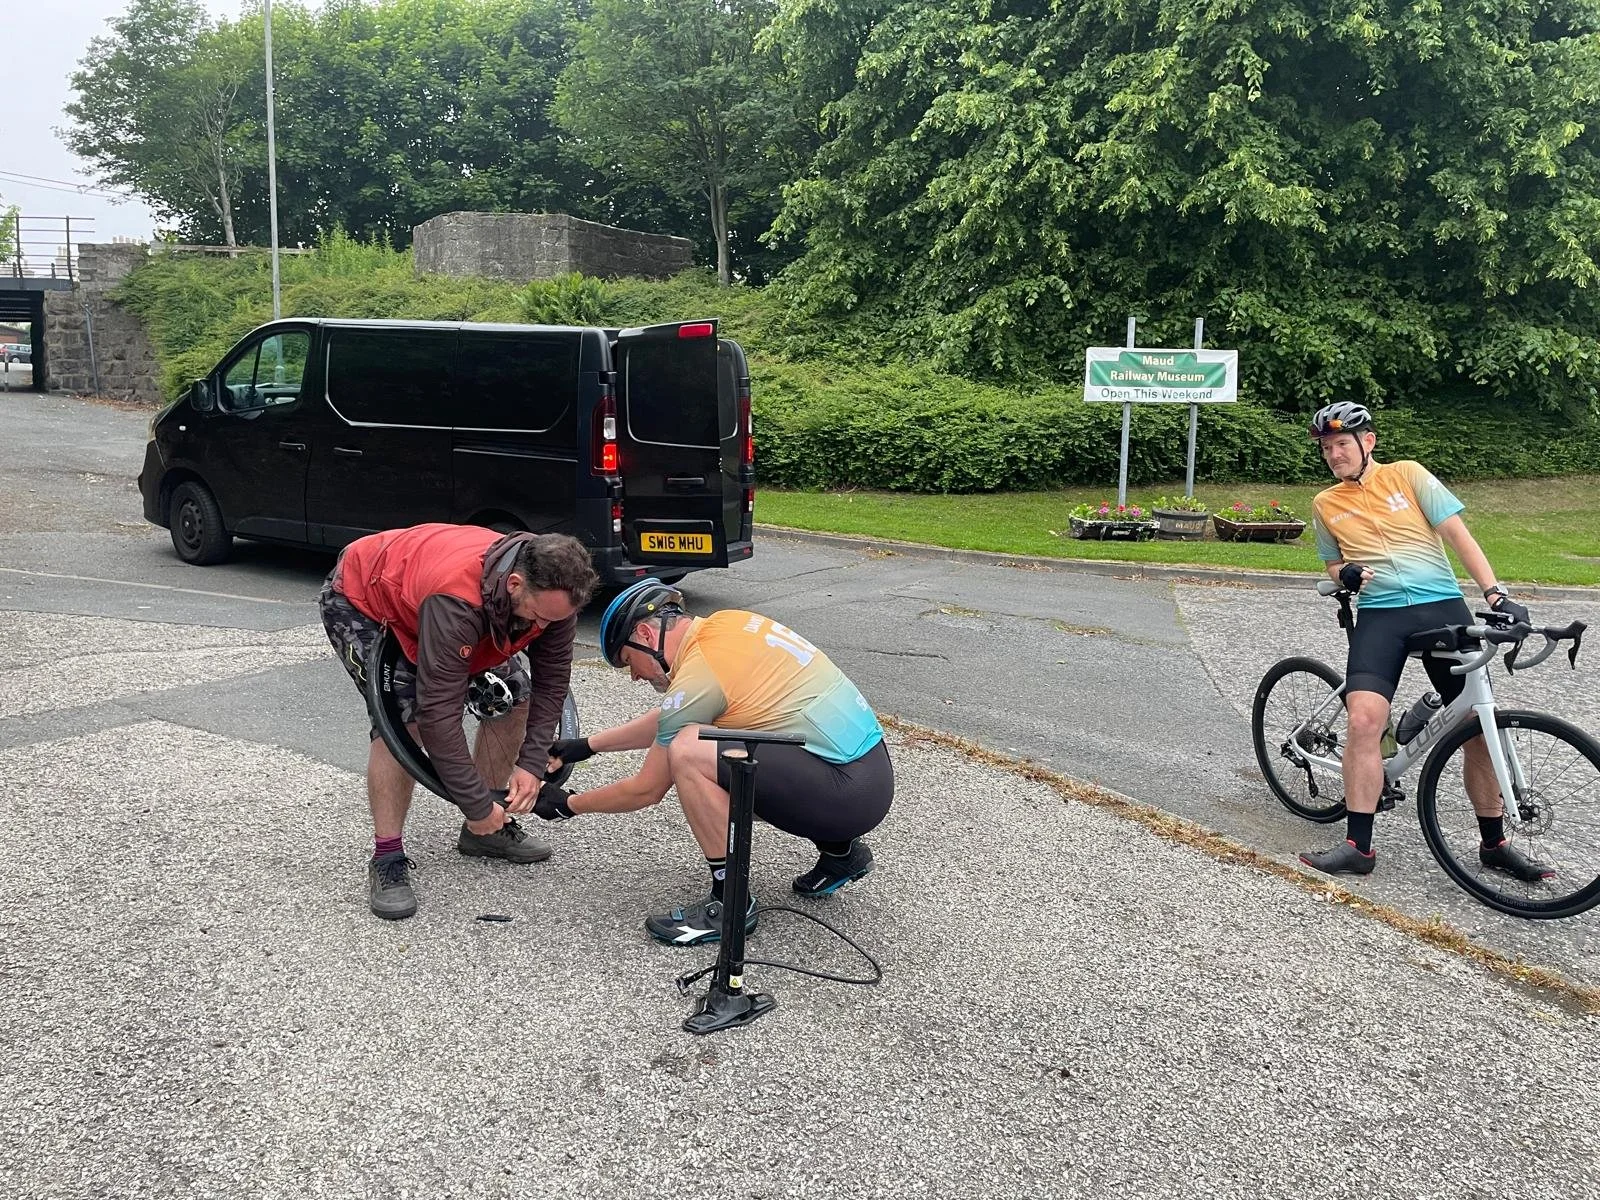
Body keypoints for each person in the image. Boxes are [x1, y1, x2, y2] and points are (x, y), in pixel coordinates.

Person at [531, 578, 894, 946]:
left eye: (628, 661)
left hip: (845, 796)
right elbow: (676, 712)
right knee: (724, 736)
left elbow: (646, 790)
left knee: (689, 752)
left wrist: (567, 805)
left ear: (644, 632)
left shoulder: (700, 674)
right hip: (868, 773)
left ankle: (730, 904)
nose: (636, 676)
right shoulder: (725, 626)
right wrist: (586, 746)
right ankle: (842, 854)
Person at [1298, 402, 1553, 881]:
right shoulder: (1325, 504)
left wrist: (1496, 595)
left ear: (1367, 442)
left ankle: (1495, 843)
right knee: (1364, 719)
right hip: (1381, 616)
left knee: (1479, 725)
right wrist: (1344, 571)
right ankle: (1359, 845)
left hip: (1441, 606)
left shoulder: (1408, 475)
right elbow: (1331, 565)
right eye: (1327, 448)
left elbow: (1458, 535)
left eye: (1342, 444)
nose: (1334, 454)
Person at [320, 523, 599, 919]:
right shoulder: (457, 600)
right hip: (368, 598)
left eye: (554, 621)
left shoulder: (555, 600)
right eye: (538, 617)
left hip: (454, 605)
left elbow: (552, 684)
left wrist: (531, 764)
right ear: (515, 584)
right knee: (404, 720)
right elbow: (439, 714)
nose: (543, 628)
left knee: (514, 698)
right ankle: (387, 857)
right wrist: (475, 802)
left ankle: (481, 834)